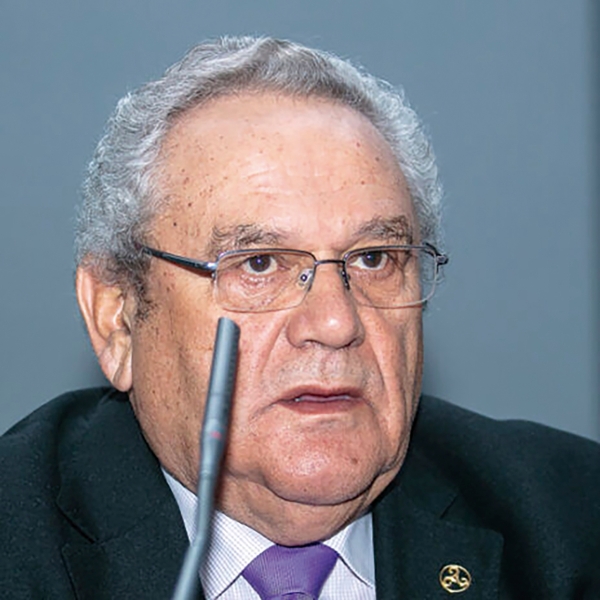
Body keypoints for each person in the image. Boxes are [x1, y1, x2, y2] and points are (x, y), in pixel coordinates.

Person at [1, 36, 598, 600]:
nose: (337, 323)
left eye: (374, 258)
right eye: (259, 264)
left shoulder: (572, 522)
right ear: (117, 319)